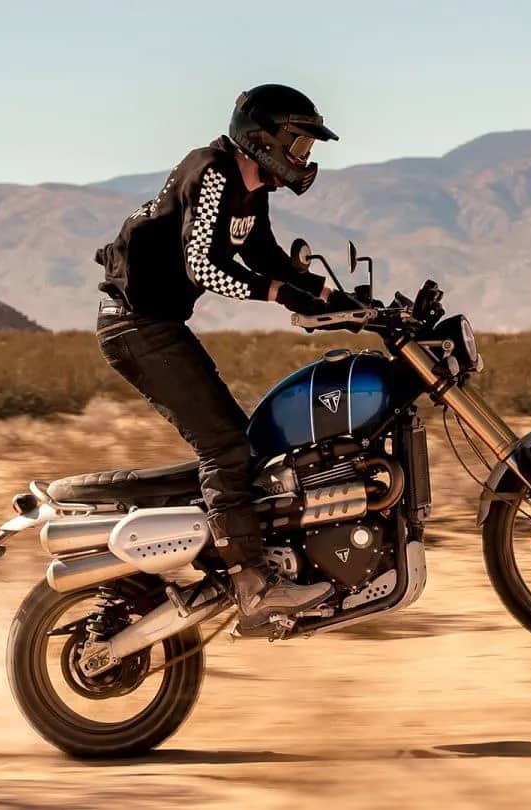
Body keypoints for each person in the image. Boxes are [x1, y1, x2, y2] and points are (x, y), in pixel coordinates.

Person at [93, 84, 357, 632]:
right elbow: (205, 269)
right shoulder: (212, 171)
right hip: (135, 326)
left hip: (158, 324)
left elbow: (261, 254)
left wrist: (336, 299)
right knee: (225, 446)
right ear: (261, 138)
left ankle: (233, 558)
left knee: (247, 448)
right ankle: (252, 583)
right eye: (298, 144)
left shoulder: (249, 185)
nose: (303, 158)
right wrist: (282, 296)